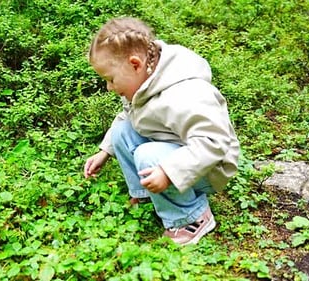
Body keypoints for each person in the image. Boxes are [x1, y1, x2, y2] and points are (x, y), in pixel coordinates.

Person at [83, 17, 240, 245]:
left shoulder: (185, 93)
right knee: (121, 131)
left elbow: (213, 141)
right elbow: (129, 115)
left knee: (148, 156)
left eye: (110, 79)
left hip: (210, 166)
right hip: (177, 147)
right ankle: (146, 195)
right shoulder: (145, 78)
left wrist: (168, 171)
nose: (109, 87)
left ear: (135, 64)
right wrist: (105, 151)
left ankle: (191, 217)